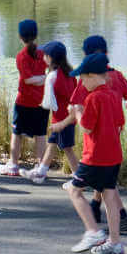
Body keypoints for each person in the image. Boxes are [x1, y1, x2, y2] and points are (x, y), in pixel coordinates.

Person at [70, 35, 127, 232]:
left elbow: (77, 107)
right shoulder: (116, 76)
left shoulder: (87, 79)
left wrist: (70, 118)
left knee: (102, 184)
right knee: (106, 181)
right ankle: (97, 208)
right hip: (112, 137)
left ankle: (120, 216)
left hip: (95, 140)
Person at [62, 53, 126, 254]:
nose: (81, 82)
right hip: (114, 154)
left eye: (82, 78)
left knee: (74, 190)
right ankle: (115, 242)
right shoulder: (114, 96)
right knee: (109, 196)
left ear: (92, 76)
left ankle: (93, 231)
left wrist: (77, 111)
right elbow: (119, 124)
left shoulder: (93, 98)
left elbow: (87, 128)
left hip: (95, 156)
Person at [21, 41, 79, 183]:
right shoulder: (70, 73)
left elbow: (48, 103)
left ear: (51, 58)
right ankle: (41, 171)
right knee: (52, 144)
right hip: (69, 116)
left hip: (61, 119)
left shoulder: (52, 76)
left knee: (67, 148)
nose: (43, 57)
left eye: (45, 55)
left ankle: (79, 177)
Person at [0, 20, 47, 177]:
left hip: (24, 102)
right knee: (40, 135)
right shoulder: (43, 53)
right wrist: (45, 78)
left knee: (16, 133)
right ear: (36, 34)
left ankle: (13, 165)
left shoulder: (21, 56)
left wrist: (39, 78)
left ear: (20, 36)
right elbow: (36, 78)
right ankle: (40, 167)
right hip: (42, 101)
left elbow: (27, 79)